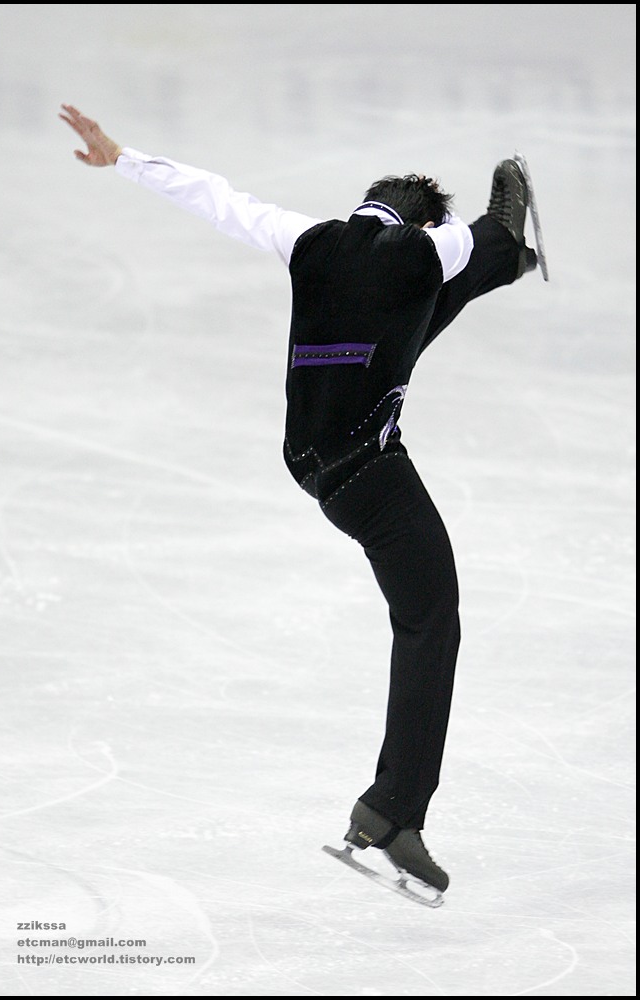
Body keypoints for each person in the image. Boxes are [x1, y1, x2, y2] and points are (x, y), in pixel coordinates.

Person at [59, 103, 540, 899]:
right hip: (370, 472)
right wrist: (506, 231)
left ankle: (391, 808)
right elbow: (478, 243)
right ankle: (394, 811)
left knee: (419, 314)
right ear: (421, 217)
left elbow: (216, 197)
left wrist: (127, 158)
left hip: (311, 463)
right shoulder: (431, 247)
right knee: (431, 618)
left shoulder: (307, 238)